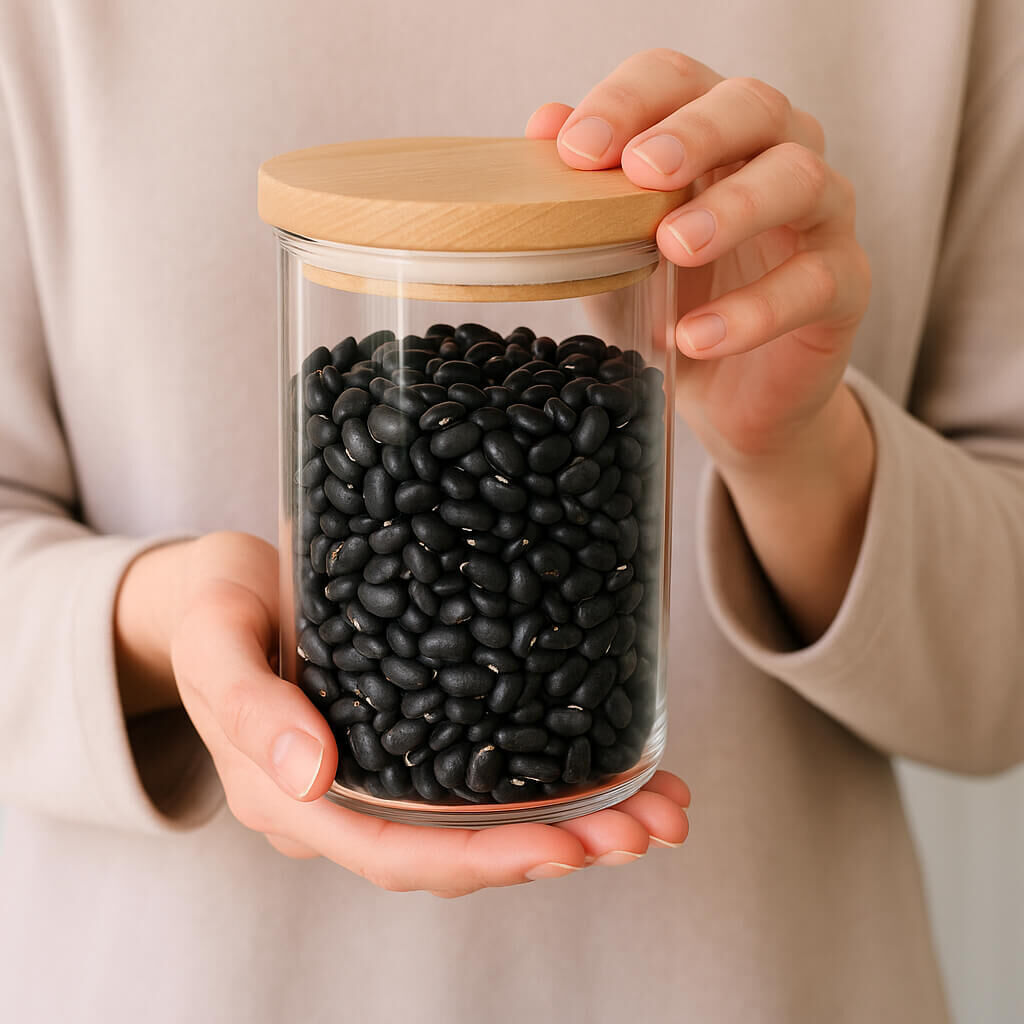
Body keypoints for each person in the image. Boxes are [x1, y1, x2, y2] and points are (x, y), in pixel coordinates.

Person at [1, 1, 1021, 1020]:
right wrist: (166, 618)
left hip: (767, 985)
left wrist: (796, 448)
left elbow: (1003, 685)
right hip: (175, 984)